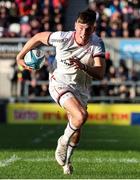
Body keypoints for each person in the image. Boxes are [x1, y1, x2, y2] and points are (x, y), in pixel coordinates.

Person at [16, 8, 106, 175]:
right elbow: (38, 37)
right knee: (80, 116)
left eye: (88, 29)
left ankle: (67, 162)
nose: (83, 32)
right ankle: (62, 142)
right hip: (59, 83)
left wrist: (84, 67)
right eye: (80, 28)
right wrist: (19, 56)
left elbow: (100, 73)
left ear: (93, 28)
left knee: (77, 125)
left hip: (81, 89)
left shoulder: (97, 43)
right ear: (75, 25)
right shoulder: (62, 38)